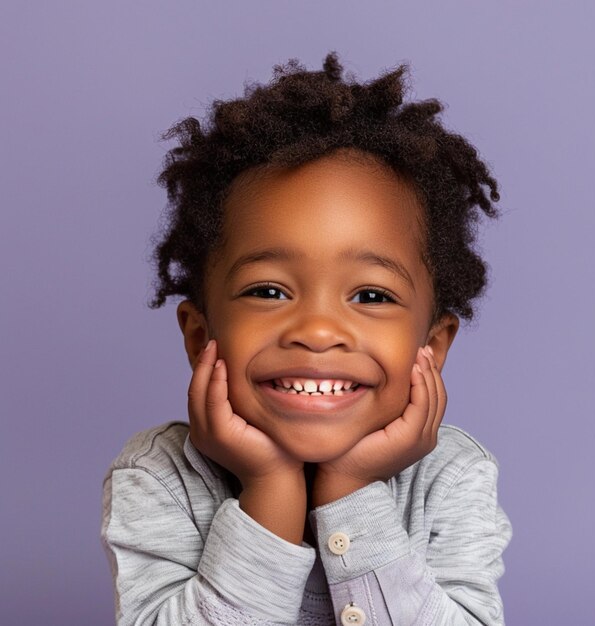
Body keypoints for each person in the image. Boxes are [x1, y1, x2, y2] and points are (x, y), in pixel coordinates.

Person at [101, 53, 512, 625]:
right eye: (269, 291)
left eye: (371, 296)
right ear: (200, 336)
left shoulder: (450, 475)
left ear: (433, 348)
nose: (318, 331)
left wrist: (350, 493)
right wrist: (269, 489)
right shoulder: (160, 479)